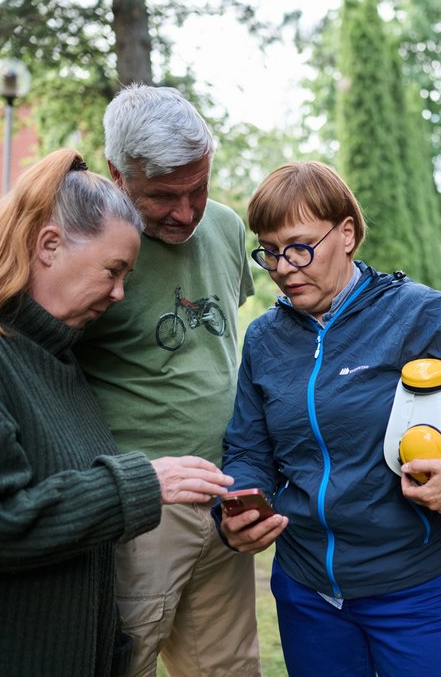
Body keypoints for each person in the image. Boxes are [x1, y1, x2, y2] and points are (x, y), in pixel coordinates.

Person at [0, 149, 234, 676]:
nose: (119, 293)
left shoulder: (54, 360)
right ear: (49, 245)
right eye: (113, 270)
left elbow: (77, 543)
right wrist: (140, 484)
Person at [219, 161, 441, 676]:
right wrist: (239, 509)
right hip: (308, 594)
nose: (284, 267)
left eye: (299, 247)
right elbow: (249, 448)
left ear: (348, 233)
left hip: (417, 591)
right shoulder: (265, 339)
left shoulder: (416, 314)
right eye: (269, 251)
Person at [73, 85, 259, 677]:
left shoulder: (227, 228)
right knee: (124, 659)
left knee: (227, 666)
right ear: (116, 174)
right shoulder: (88, 249)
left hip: (224, 491)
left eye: (197, 189)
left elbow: (217, 345)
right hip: (141, 507)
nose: (185, 212)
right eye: (162, 196)